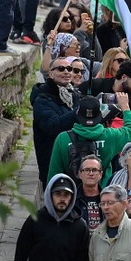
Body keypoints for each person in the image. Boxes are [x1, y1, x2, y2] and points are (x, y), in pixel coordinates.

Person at [48, 93, 131, 184]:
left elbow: (54, 174)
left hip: (73, 193)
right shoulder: (111, 136)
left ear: (77, 113)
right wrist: (125, 107)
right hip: (104, 193)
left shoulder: (63, 138)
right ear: (101, 114)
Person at [31, 57, 81, 185]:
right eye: (61, 68)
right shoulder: (42, 98)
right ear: (51, 74)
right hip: (53, 161)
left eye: (69, 69)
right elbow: (52, 126)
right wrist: (77, 113)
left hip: (75, 160)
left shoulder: (74, 95)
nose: (66, 72)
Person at [74, 154, 104, 232]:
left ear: (101, 174)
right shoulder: (72, 199)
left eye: (94, 170)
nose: (91, 173)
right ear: (80, 174)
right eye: (87, 170)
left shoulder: (108, 198)